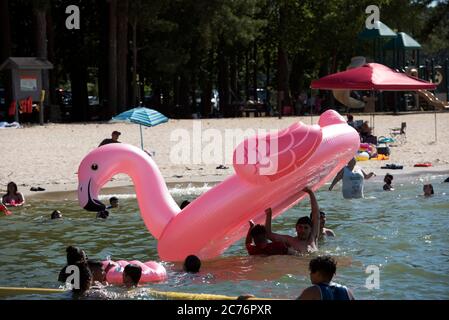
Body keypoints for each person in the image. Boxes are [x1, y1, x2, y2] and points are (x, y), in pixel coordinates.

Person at [265, 187, 320, 254]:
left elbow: (316, 215)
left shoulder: (313, 238)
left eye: (306, 228)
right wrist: (269, 215)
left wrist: (310, 193)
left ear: (311, 229)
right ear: (296, 228)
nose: (302, 230)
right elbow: (268, 235)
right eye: (300, 227)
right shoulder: (290, 241)